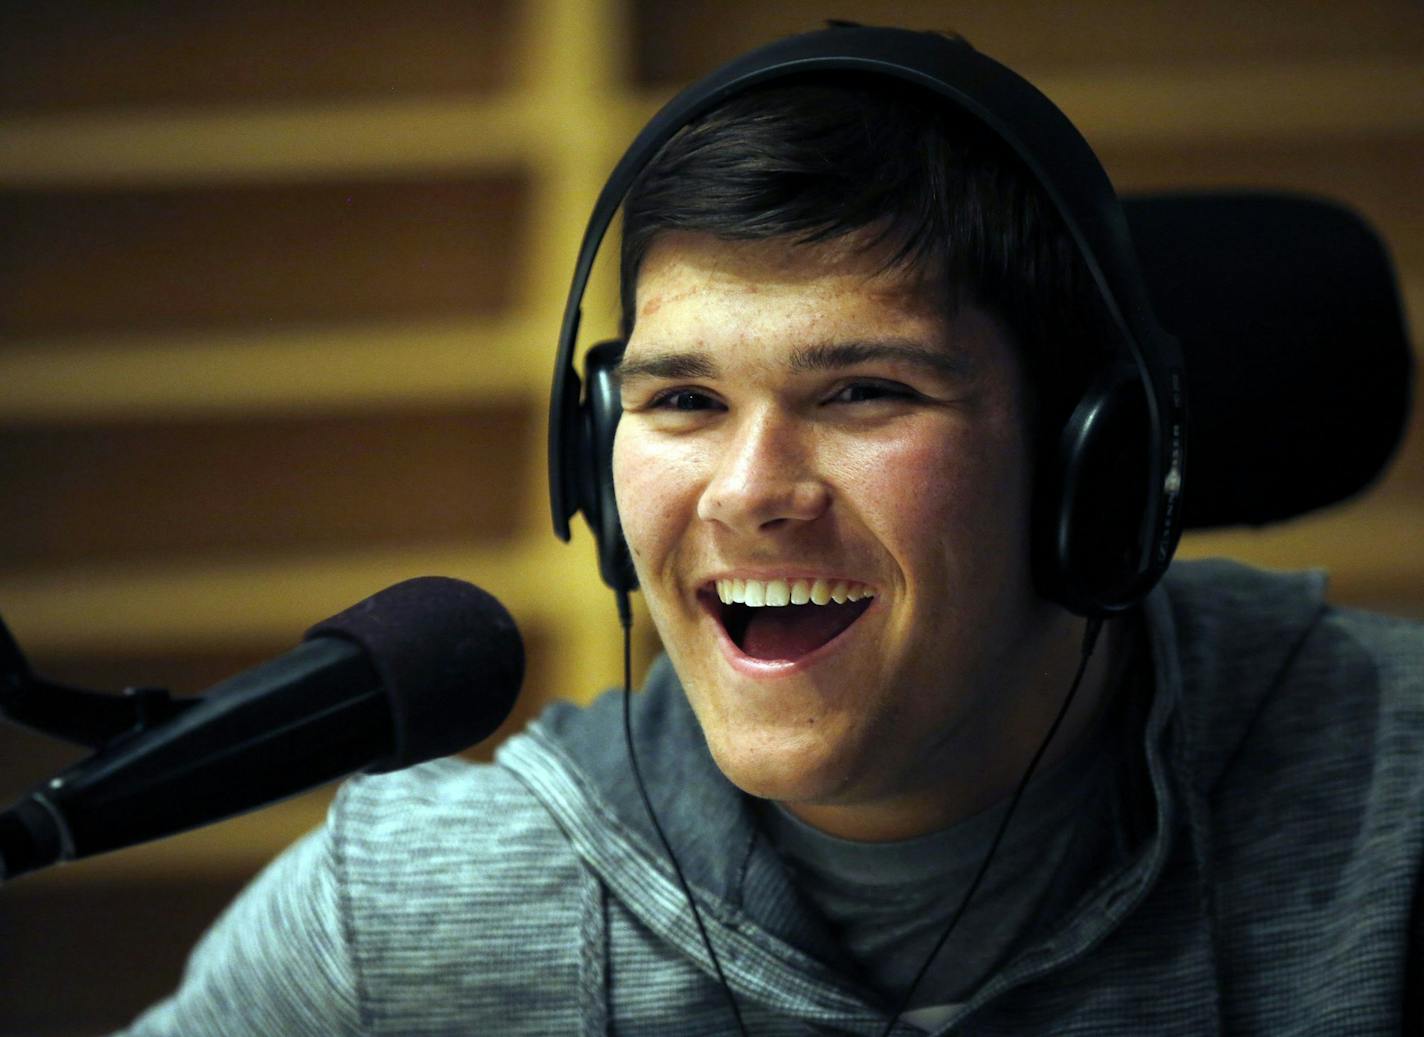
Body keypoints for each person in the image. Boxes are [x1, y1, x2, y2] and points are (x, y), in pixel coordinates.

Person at [119, 27, 1421, 1036]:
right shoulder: (409, 917)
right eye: (682, 399)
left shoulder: (1393, 810)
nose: (750, 490)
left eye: (863, 393)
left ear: (1095, 462)